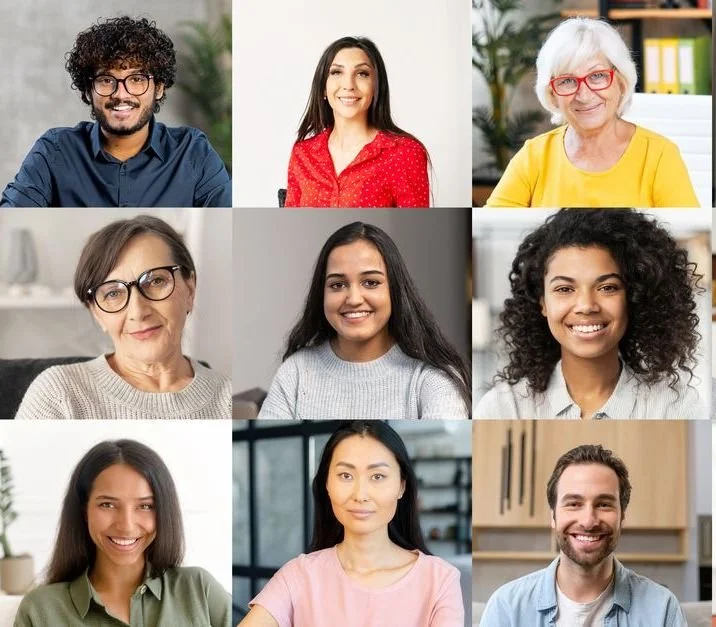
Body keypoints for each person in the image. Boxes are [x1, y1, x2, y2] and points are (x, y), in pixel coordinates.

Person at [475, 209, 704, 419]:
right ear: (542, 303)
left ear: (633, 297)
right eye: (564, 289)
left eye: (607, 287)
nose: (586, 305)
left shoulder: (675, 406)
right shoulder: (503, 409)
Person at [239, 421, 464, 627]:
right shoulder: (298, 575)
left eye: (377, 476)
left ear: (401, 486)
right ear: (327, 483)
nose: (360, 494)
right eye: (346, 475)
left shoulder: (440, 580)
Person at [15, 215, 231, 419]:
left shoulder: (227, 399)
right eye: (113, 293)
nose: (138, 312)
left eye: (155, 281)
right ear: (96, 313)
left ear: (190, 289)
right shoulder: (57, 395)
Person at [1, 16, 231, 208]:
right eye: (106, 80)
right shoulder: (55, 151)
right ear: (89, 90)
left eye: (137, 79)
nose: (121, 94)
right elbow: (10, 223)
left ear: (159, 88)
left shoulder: (192, 152)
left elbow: (232, 232)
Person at [258, 221, 469, 419]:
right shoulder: (295, 372)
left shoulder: (432, 378)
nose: (354, 299)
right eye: (338, 285)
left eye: (370, 282)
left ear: (395, 289)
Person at [484, 18, 698, 208]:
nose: (584, 95)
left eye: (597, 76)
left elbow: (688, 240)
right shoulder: (534, 157)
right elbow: (490, 228)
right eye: (567, 81)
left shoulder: (660, 155)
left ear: (620, 81)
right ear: (552, 93)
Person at [14, 439, 231, 626]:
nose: (126, 525)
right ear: (84, 510)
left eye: (145, 506)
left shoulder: (198, 589)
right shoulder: (40, 610)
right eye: (107, 505)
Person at [480, 444, 687, 626]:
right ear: (553, 516)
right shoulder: (506, 608)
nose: (589, 521)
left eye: (604, 504)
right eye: (573, 504)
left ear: (622, 516)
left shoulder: (662, 610)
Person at [286, 36, 430, 208]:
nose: (349, 85)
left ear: (376, 86)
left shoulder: (405, 153)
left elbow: (414, 229)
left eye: (362, 74)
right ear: (323, 87)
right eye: (336, 72)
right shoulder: (303, 154)